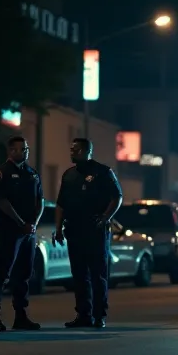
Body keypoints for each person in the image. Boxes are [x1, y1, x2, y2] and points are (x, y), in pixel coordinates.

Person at [54, 138, 123, 329]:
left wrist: (105, 217)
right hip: (74, 230)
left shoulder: (103, 172)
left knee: (98, 274)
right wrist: (58, 229)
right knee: (79, 275)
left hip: (95, 230)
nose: (72, 152)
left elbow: (117, 196)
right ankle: (83, 314)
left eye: (76, 150)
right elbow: (60, 204)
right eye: (71, 149)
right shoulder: (69, 175)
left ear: (87, 151)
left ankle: (99, 315)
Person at [0, 135, 44, 331]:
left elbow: (40, 200)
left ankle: (21, 315)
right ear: (11, 150)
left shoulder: (32, 173)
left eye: (26, 149)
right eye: (20, 149)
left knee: (24, 274)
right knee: (1, 273)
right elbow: (0, 201)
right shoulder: (1, 173)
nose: (24, 152)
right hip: (8, 231)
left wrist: (33, 224)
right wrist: (20, 223)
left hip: (28, 232)